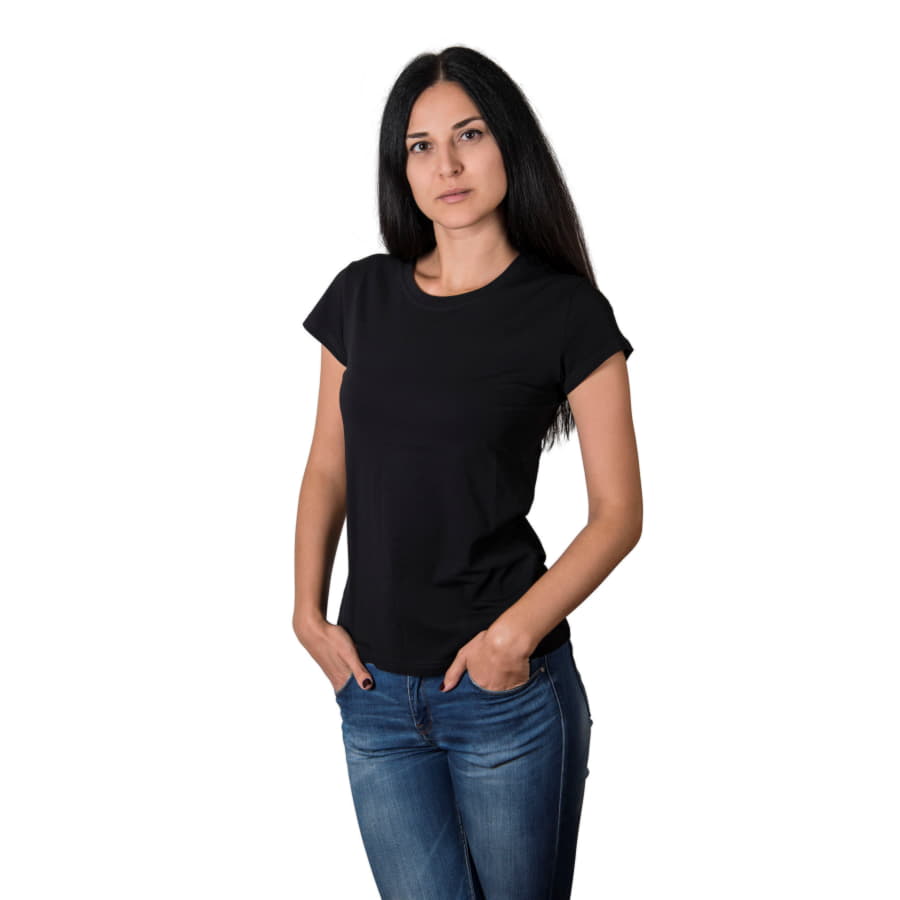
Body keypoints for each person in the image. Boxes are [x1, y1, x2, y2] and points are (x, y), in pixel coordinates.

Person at [293, 45, 642, 900]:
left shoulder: (566, 312)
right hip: (373, 692)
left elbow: (618, 512)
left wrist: (513, 640)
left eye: (469, 135)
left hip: (504, 693)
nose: (445, 164)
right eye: (420, 145)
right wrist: (307, 613)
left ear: (509, 144)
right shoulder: (361, 297)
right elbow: (328, 467)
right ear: (400, 166)